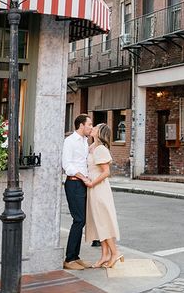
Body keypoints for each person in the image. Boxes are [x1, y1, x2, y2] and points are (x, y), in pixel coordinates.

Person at [85, 123, 123, 269]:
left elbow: (106, 172)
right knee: (98, 222)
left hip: (99, 188)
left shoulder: (100, 149)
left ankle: (115, 253)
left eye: (95, 127)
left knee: (103, 221)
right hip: (93, 188)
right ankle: (104, 255)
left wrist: (92, 183)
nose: (92, 128)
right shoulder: (91, 147)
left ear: (99, 132)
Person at [62, 113, 93, 270]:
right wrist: (83, 177)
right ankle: (69, 259)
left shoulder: (85, 142)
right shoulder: (70, 141)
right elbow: (67, 166)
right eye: (89, 125)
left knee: (82, 220)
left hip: (83, 184)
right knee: (79, 219)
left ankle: (75, 256)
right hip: (74, 184)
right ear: (81, 125)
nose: (91, 128)